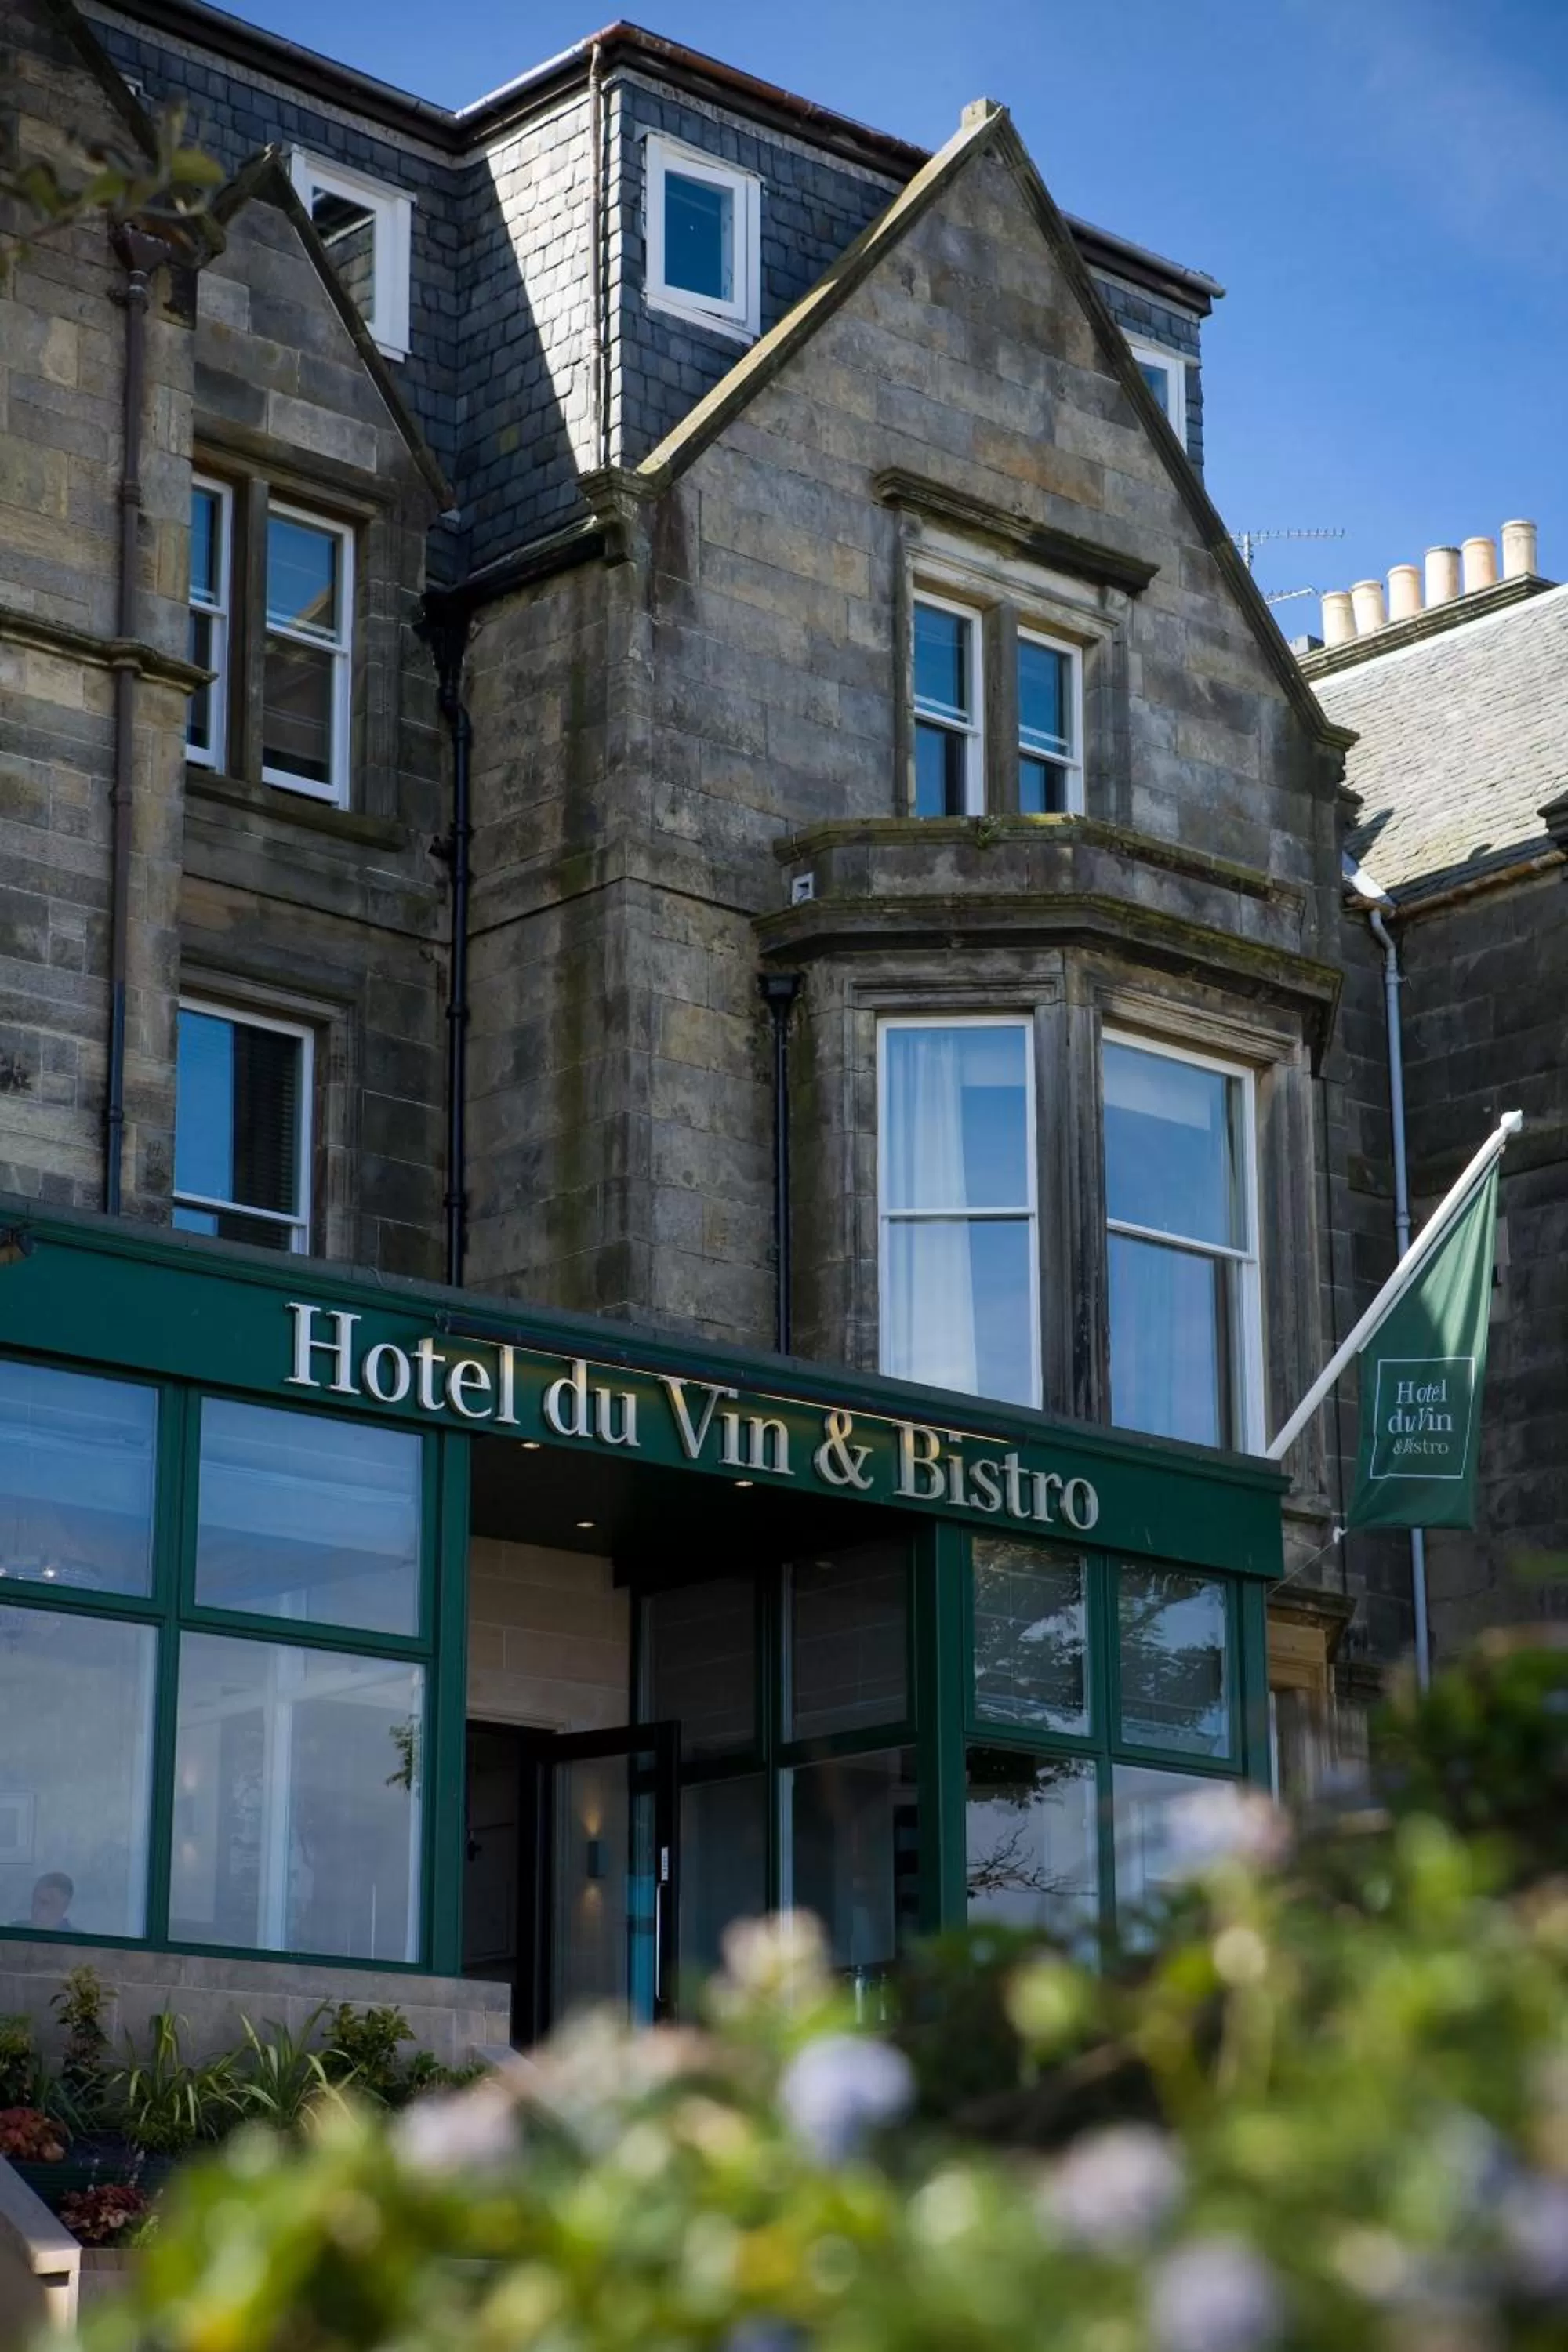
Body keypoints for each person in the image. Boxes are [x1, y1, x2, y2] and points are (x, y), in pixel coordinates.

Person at [9, 1872, 74, 1931]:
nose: (35, 1908)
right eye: (34, 1901)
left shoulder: (76, 1940)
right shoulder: (13, 1930)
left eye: (44, 1902)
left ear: (64, 1905)